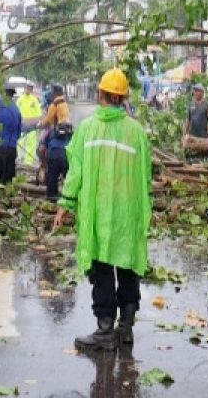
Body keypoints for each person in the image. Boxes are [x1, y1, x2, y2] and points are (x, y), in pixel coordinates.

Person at [53, 69, 152, 351]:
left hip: (98, 215)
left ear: (100, 95)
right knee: (129, 265)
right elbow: (146, 177)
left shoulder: (87, 129)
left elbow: (76, 174)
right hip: (128, 214)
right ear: (122, 98)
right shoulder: (137, 133)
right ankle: (127, 326)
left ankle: (105, 330)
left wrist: (65, 204)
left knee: (103, 268)